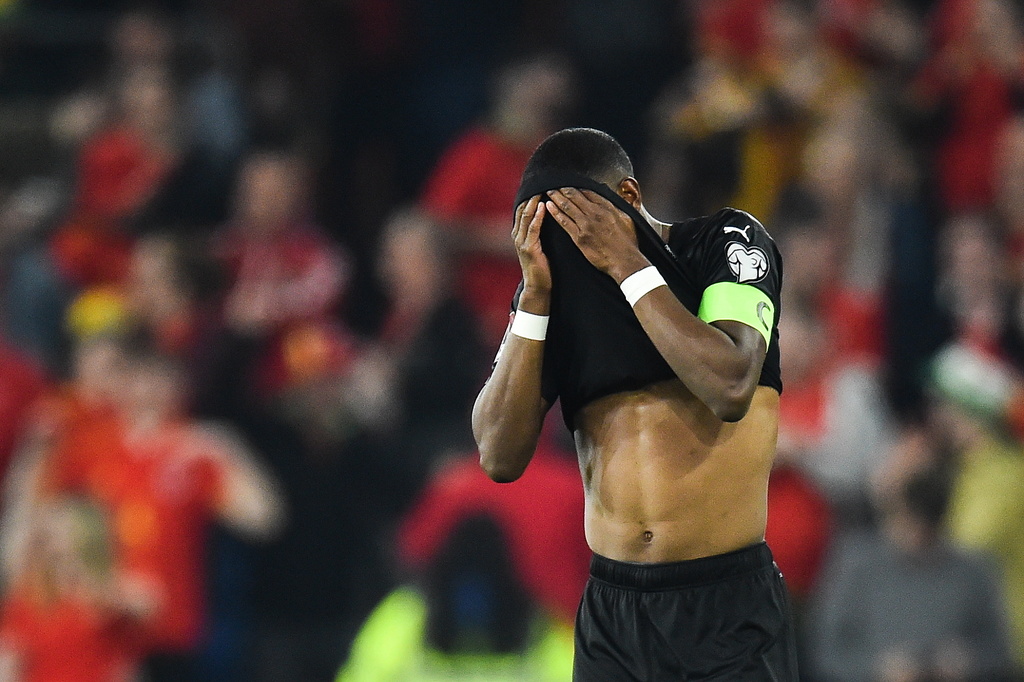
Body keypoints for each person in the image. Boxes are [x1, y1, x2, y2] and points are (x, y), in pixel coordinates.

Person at [472, 127, 795, 680]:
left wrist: (625, 264)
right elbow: (498, 456)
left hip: (725, 606)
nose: (568, 247)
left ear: (627, 196)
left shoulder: (724, 243)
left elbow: (731, 385)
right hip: (612, 618)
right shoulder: (552, 299)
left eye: (578, 223)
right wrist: (535, 298)